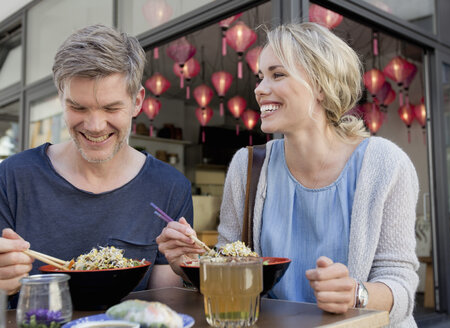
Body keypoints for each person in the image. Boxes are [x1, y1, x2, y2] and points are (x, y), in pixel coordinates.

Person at [157, 22, 419, 327]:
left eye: (277, 74)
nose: (259, 89)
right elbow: (229, 268)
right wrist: (189, 264)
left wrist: (356, 294)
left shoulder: (385, 164)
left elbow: (400, 282)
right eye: (260, 77)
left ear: (322, 85)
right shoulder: (247, 167)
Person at [0, 24, 193, 300]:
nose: (94, 125)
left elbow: (162, 303)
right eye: (78, 107)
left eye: (111, 108)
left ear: (137, 102)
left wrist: (188, 270)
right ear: (61, 99)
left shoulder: (170, 187)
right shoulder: (12, 178)